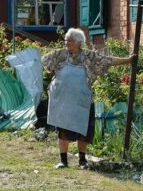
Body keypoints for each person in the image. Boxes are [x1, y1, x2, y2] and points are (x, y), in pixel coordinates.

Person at [41, 28, 135, 169]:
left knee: (82, 130)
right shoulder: (60, 54)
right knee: (63, 130)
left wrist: (127, 60)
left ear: (79, 43)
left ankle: (82, 160)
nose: (66, 43)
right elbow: (44, 60)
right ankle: (63, 161)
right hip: (63, 101)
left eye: (70, 41)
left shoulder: (88, 56)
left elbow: (107, 60)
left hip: (81, 99)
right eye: (66, 40)